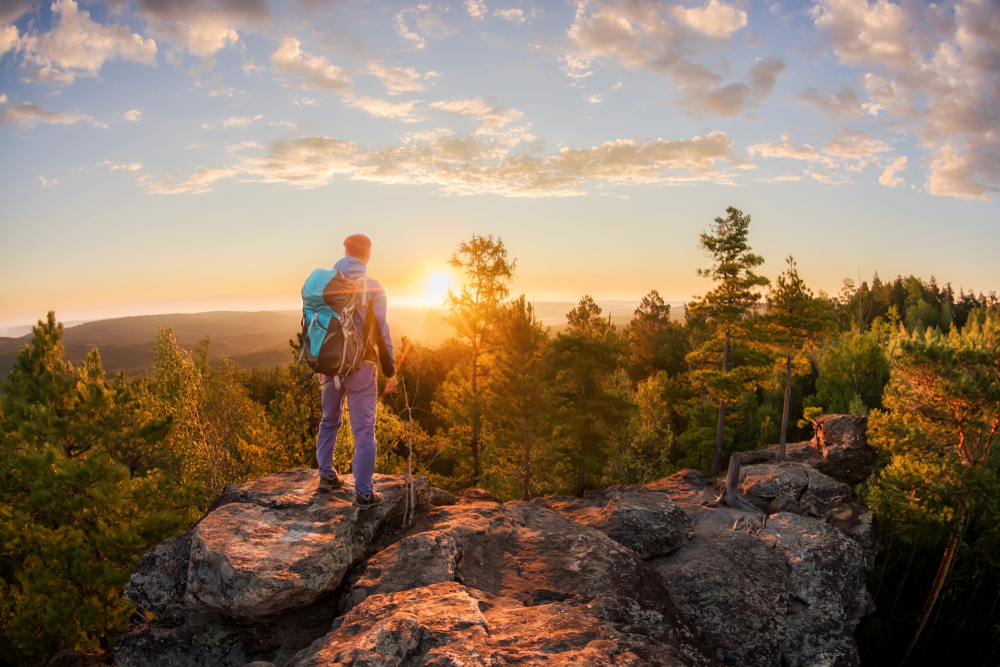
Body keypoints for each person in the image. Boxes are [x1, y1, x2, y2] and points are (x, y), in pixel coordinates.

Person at [316, 234, 397, 508]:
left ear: (345, 250)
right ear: (368, 255)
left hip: (330, 365)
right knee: (363, 430)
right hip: (362, 365)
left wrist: (321, 363)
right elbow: (382, 332)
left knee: (329, 419)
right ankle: (363, 492)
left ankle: (326, 475)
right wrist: (390, 371)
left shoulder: (328, 284)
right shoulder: (373, 287)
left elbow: (318, 325)